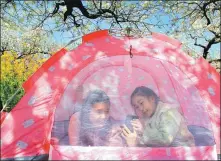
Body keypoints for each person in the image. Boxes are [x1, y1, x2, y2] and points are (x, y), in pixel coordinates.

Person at [121, 86, 195, 147]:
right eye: (136, 107)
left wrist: (144, 130)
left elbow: (165, 140)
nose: (140, 108)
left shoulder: (168, 112)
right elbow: (148, 142)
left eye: (141, 103)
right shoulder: (147, 116)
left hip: (181, 153)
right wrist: (134, 141)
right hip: (162, 153)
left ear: (152, 99)